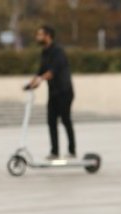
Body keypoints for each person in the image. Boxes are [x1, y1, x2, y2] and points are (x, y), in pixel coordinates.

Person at [27, 25, 76, 161]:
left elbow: (52, 72)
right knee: (51, 121)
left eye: (40, 35)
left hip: (65, 91)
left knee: (65, 119)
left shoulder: (58, 51)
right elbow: (41, 70)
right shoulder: (45, 52)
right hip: (53, 92)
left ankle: (72, 150)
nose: (37, 37)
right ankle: (54, 151)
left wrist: (40, 80)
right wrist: (30, 84)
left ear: (48, 36)